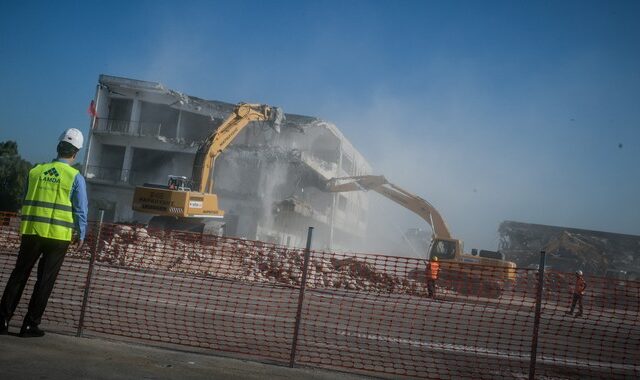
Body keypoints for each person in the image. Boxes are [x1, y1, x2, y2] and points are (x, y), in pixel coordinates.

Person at [0, 128, 88, 337]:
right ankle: (29, 325)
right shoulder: (75, 177)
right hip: (58, 237)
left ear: (58, 147)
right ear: (75, 153)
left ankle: (1, 320)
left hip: (31, 232)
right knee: (45, 280)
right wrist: (81, 234)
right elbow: (80, 209)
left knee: (19, 275)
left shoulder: (35, 171)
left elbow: (24, 199)